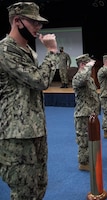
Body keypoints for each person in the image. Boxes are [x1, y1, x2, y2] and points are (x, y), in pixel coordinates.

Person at [0, 2, 59, 199]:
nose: (38, 27)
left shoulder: (29, 52)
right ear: (17, 21)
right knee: (24, 191)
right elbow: (40, 81)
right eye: (33, 22)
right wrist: (51, 53)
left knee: (39, 186)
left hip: (35, 129)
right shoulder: (4, 50)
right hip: (15, 134)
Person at [72, 54, 100, 171]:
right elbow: (82, 79)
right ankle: (83, 163)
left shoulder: (89, 79)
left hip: (90, 113)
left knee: (91, 138)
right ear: (82, 65)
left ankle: (90, 158)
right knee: (84, 140)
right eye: (88, 65)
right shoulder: (78, 77)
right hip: (83, 114)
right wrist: (87, 67)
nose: (91, 68)